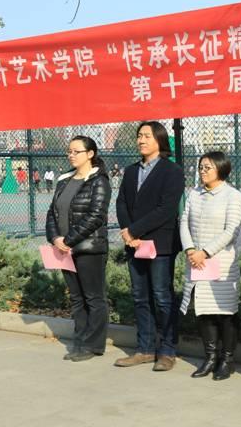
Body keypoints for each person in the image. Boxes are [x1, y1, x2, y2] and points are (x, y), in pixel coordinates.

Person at [114, 121, 185, 372]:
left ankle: (167, 351)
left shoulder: (172, 171)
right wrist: (128, 232)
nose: (141, 140)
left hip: (160, 244)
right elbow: (121, 202)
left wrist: (134, 230)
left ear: (159, 140)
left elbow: (166, 209)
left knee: (162, 297)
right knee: (140, 297)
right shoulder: (131, 171)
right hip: (134, 244)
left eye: (146, 136)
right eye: (139, 136)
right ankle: (144, 349)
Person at [179, 152, 241, 380]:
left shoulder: (232, 195)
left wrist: (205, 252)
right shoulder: (194, 193)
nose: (202, 171)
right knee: (203, 311)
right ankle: (209, 357)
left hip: (221, 263)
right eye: (201, 167)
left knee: (225, 312)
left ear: (221, 169)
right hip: (196, 262)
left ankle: (227, 360)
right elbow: (184, 222)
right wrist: (190, 249)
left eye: (207, 167)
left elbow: (231, 231)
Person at [45, 136, 112, 362]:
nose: (71, 155)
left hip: (88, 249)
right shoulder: (64, 180)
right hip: (64, 250)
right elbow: (52, 212)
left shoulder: (99, 181)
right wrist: (55, 238)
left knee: (94, 298)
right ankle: (80, 341)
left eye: (76, 151)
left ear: (90, 154)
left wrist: (69, 240)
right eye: (69, 151)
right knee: (76, 298)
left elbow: (96, 215)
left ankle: (93, 345)